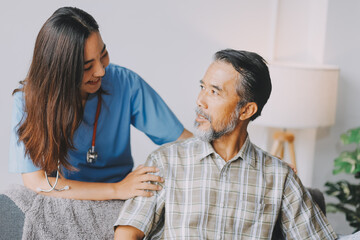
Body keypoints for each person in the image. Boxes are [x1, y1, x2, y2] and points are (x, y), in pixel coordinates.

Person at [114, 49, 337, 239]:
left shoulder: (279, 177)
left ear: (246, 110)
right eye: (202, 87)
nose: (200, 101)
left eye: (214, 92)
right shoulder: (165, 161)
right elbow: (128, 232)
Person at [9, 6, 192, 201]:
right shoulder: (27, 100)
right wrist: (117, 190)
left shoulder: (125, 83)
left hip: (122, 197)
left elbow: (184, 142)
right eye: (87, 66)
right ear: (61, 72)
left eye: (103, 55)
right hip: (66, 199)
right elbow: (36, 182)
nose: (101, 71)